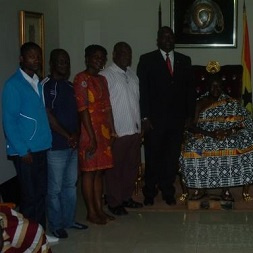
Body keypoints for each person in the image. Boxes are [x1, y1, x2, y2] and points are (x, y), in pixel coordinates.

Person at [180, 70, 253, 201]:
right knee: (193, 148)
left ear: (222, 87)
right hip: (204, 134)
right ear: (208, 87)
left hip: (228, 134)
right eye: (213, 86)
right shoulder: (200, 102)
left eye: (218, 86)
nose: (216, 89)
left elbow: (245, 121)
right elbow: (191, 126)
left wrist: (229, 132)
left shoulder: (231, 102)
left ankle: (226, 188)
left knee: (233, 144)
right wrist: (210, 134)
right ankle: (200, 187)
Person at [137, 26, 195, 206]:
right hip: (154, 121)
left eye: (171, 37)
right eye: (164, 37)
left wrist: (189, 115)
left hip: (177, 120)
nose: (168, 40)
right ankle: (149, 191)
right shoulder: (147, 60)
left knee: (171, 158)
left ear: (174, 39)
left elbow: (189, 90)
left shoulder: (184, 60)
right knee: (153, 157)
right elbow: (143, 91)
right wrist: (145, 117)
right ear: (158, 40)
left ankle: (168, 191)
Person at [2, 42, 52, 231]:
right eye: (31, 56)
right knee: (30, 197)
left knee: (41, 194)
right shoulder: (13, 85)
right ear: (21, 59)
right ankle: (29, 239)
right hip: (26, 151)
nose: (36, 59)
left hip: (41, 147)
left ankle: (41, 235)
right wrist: (22, 150)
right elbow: (9, 122)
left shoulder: (37, 82)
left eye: (38, 56)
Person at [42, 49, 88, 239]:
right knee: (55, 189)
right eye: (60, 62)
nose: (64, 65)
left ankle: (69, 220)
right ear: (52, 64)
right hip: (56, 146)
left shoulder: (70, 86)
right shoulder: (46, 85)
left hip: (72, 145)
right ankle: (55, 225)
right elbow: (47, 114)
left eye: (67, 62)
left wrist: (76, 134)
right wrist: (67, 135)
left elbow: (78, 113)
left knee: (70, 185)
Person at [73, 45, 116, 224]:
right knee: (89, 173)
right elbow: (82, 110)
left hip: (103, 131)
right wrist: (91, 137)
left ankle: (100, 209)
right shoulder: (80, 79)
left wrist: (112, 131)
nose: (99, 60)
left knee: (100, 173)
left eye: (102, 58)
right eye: (95, 57)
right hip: (88, 132)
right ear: (87, 58)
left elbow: (107, 107)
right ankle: (91, 212)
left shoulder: (102, 80)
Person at [100, 42, 143, 215]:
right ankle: (113, 201)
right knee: (114, 170)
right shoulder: (106, 75)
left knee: (131, 168)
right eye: (123, 53)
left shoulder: (133, 75)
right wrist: (109, 130)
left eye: (129, 53)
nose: (127, 56)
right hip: (117, 131)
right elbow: (103, 106)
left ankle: (126, 198)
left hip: (134, 130)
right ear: (114, 54)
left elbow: (137, 102)